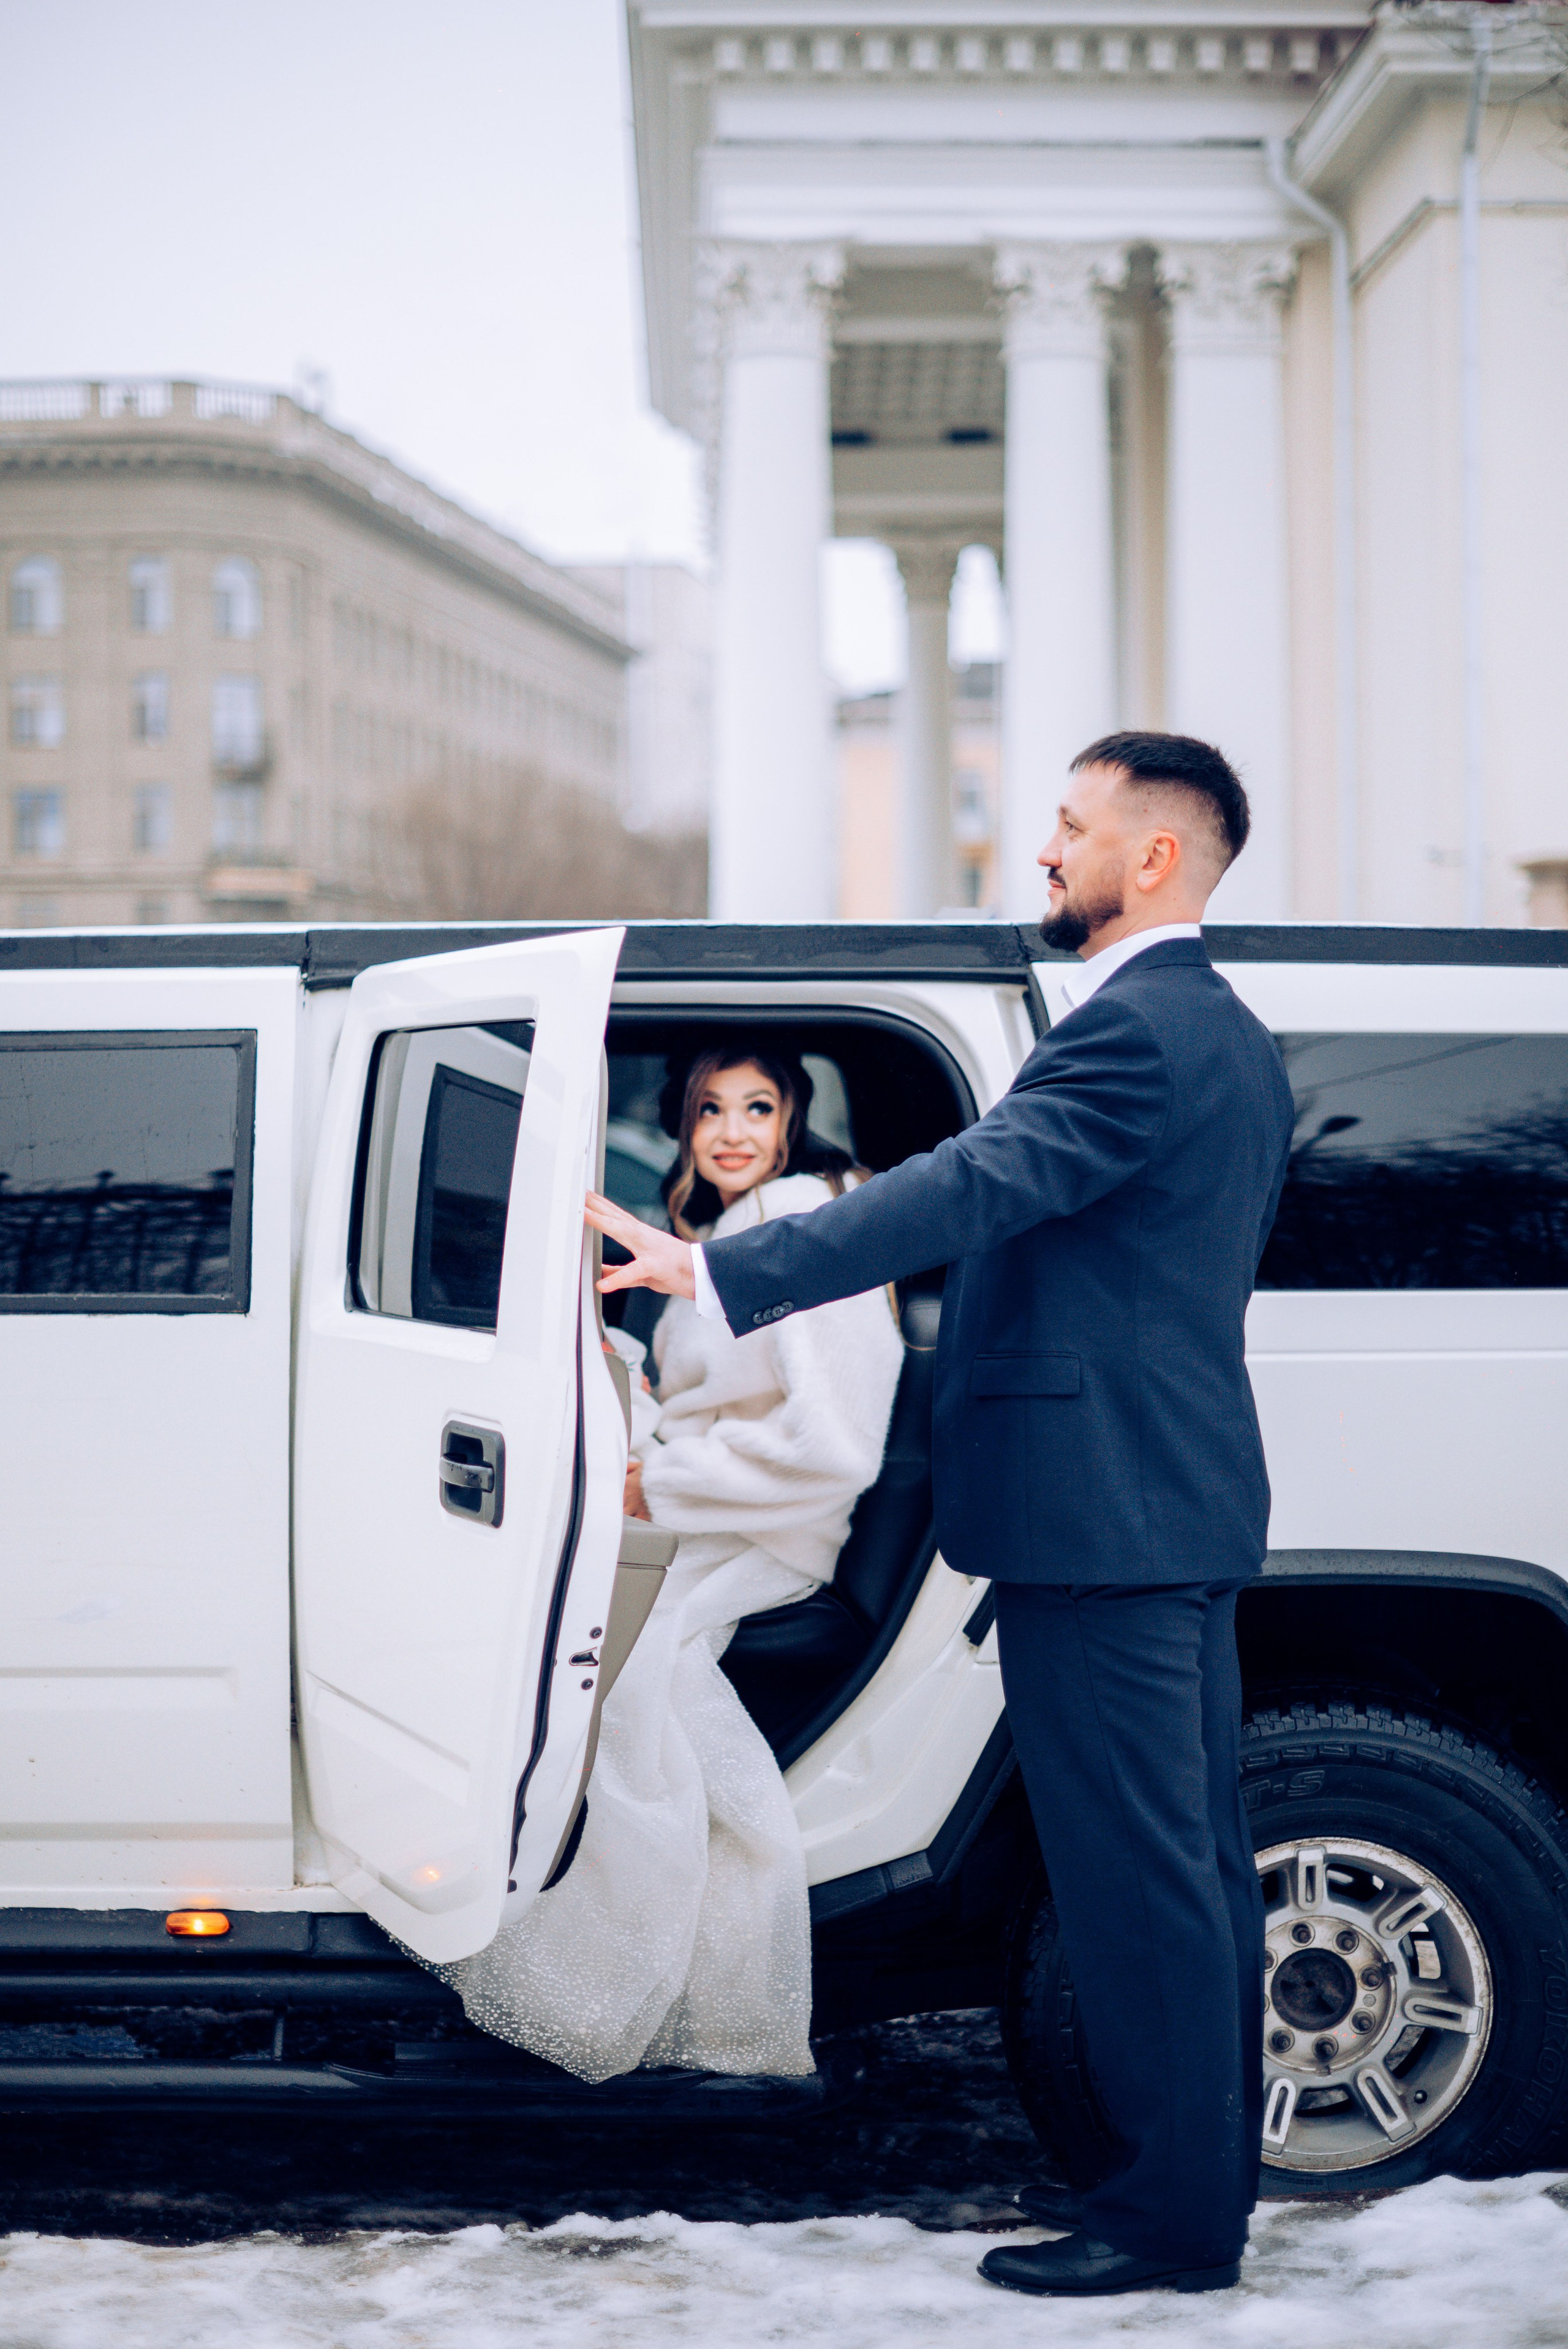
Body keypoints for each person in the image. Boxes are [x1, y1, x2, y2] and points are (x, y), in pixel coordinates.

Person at [587, 732, 1296, 2300]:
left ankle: (1165, 2219)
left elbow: (979, 1185)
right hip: (1145, 1515)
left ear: (1153, 857)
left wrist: (721, 1264)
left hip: (1104, 1525)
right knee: (1173, 1873)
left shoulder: (1141, 1032)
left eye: (1070, 824)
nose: (1045, 848)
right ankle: (1181, 2195)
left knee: (1138, 1883)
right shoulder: (1214, 1033)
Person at [440, 1046, 903, 2084]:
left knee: (628, 1681)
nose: (733, 1131)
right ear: (683, 1127)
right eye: (710, 1110)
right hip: (713, 1512)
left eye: (759, 1107)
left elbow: (834, 1449)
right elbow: (718, 1403)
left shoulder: (803, 1224)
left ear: (794, 1123)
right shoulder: (731, 1236)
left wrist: (664, 1482)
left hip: (766, 1534)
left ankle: (663, 2002)